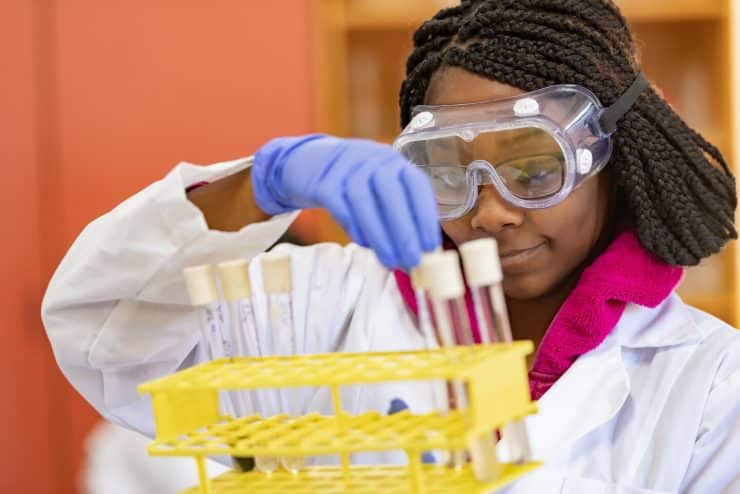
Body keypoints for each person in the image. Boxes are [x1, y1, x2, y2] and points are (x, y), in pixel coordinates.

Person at [42, 0, 740, 492]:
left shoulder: (712, 383)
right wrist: (261, 185)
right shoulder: (319, 304)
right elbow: (103, 333)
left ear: (608, 159)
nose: (490, 211)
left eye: (533, 168)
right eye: (447, 171)